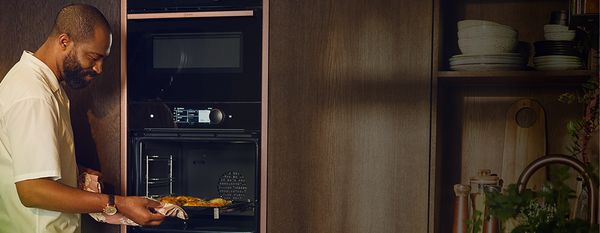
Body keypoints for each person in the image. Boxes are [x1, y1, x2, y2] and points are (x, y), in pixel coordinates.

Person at [0, 4, 165, 233]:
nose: (99, 69)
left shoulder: (43, 86)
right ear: (65, 41)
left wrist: (73, 172)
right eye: (93, 57)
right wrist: (118, 203)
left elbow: (30, 164)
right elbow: (32, 189)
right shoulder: (34, 94)